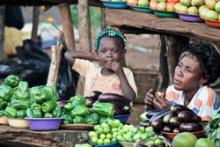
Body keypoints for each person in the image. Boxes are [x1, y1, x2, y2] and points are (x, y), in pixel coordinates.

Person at [145, 41, 220, 121]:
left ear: (203, 79)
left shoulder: (207, 96)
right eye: (179, 65)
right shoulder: (172, 91)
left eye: (188, 70)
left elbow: (201, 130)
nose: (179, 72)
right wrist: (152, 105)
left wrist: (171, 110)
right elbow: (163, 124)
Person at [64, 27, 137, 101]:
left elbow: (130, 98)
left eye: (115, 51)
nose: (109, 55)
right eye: (103, 51)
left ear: (123, 53)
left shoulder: (126, 73)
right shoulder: (90, 69)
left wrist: (120, 74)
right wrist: (94, 56)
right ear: (97, 52)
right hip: (91, 111)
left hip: (118, 112)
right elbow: (67, 55)